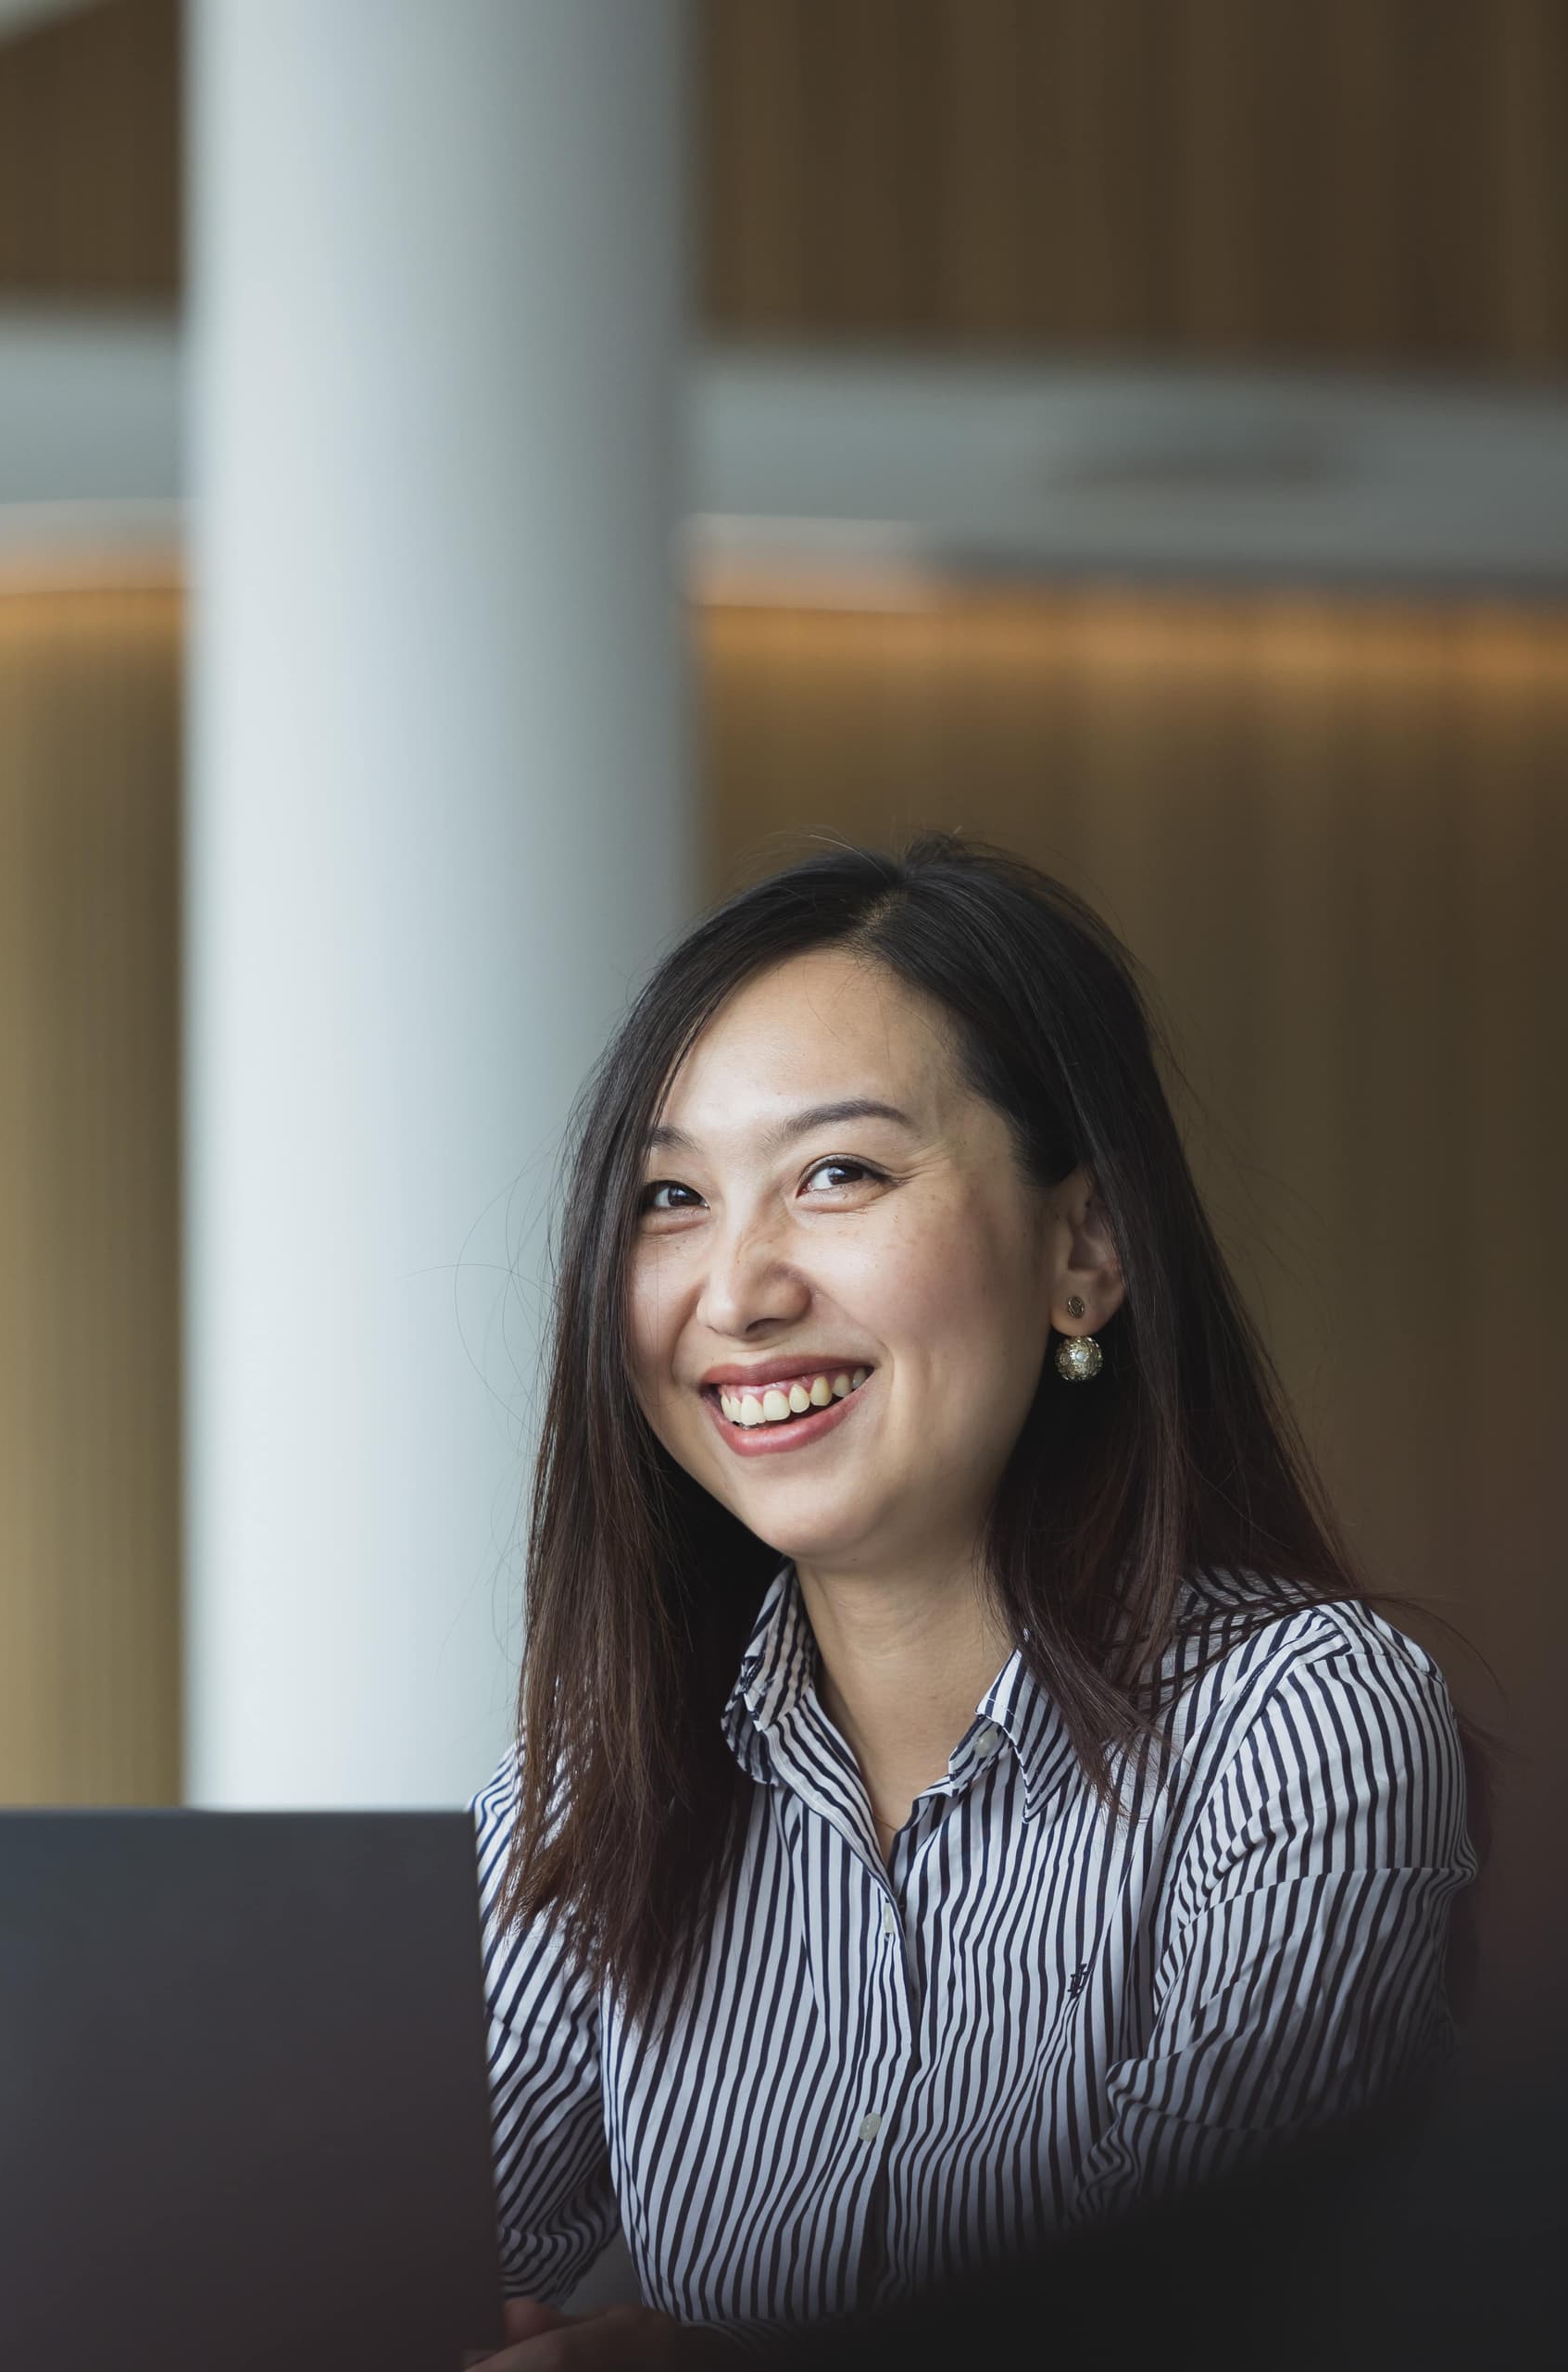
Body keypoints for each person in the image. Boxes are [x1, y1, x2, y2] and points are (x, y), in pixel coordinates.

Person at [470, 838, 1474, 2365]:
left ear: (1085, 1252)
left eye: (838, 1175)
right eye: (671, 1195)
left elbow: (1199, 2323)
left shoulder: (1308, 1720)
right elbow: (381, 2268)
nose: (736, 1289)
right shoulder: (589, 1786)